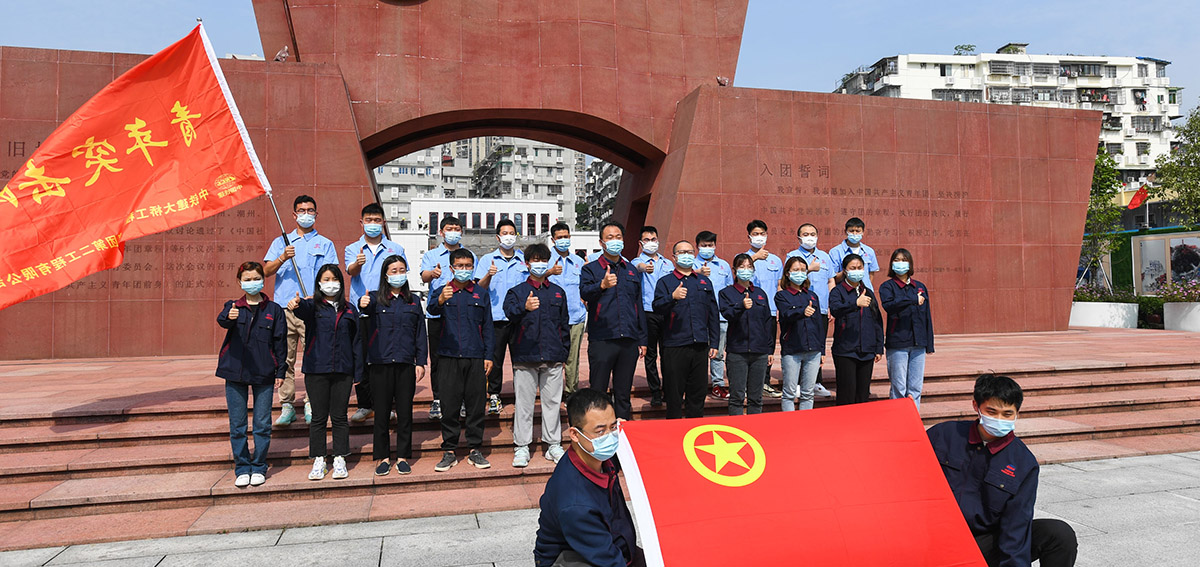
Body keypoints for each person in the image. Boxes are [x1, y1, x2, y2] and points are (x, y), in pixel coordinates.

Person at [927, 374, 1078, 567]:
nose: (999, 419)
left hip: (981, 542)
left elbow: (1016, 524)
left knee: (1058, 534)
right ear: (976, 406)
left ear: (1017, 414)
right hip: (933, 535)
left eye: (1007, 414)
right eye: (992, 411)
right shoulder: (943, 435)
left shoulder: (1023, 462)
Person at [534, 388, 646, 567]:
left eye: (613, 427)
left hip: (609, 542)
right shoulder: (576, 502)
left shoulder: (597, 457)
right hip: (570, 557)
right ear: (574, 434)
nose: (609, 436)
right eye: (600, 431)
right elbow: (608, 560)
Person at [263, 195, 337, 426]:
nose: (306, 214)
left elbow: (332, 276)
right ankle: (286, 404)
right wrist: (283, 257)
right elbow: (266, 271)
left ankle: (311, 401)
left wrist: (316, 297)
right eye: (302, 211)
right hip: (284, 308)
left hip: (311, 309)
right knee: (285, 357)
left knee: (313, 357)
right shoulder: (281, 242)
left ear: (316, 214)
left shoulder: (324, 244)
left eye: (310, 210)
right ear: (294, 215)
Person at [287, 265, 362, 481]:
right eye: (325, 279)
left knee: (339, 416)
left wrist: (358, 373)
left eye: (334, 279)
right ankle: (319, 458)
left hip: (343, 370)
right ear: (319, 283)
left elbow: (356, 342)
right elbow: (300, 310)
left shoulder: (349, 309)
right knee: (318, 417)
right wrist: (296, 304)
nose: (330, 283)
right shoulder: (313, 307)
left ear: (340, 282)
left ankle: (340, 457)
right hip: (316, 369)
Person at [216, 261, 287, 487]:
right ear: (239, 282)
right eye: (247, 279)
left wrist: (281, 371)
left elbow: (280, 342)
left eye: (256, 278)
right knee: (237, 424)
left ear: (263, 280)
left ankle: (258, 466)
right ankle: (242, 467)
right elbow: (222, 321)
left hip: (264, 371)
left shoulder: (274, 310)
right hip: (235, 371)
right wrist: (231, 316)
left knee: (262, 423)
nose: (252, 283)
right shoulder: (233, 306)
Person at [426, 248, 494, 472]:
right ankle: (449, 450)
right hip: (449, 356)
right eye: (460, 266)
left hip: (475, 356)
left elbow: (489, 327)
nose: (464, 270)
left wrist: (488, 356)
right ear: (451, 267)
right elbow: (431, 310)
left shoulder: (481, 294)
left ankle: (475, 449)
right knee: (450, 404)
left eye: (468, 266)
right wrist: (440, 299)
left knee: (475, 405)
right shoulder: (442, 290)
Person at [358, 255, 427, 476]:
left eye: (401, 270)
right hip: (380, 363)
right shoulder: (375, 300)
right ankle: (383, 457)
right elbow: (363, 319)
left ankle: (403, 456)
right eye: (393, 270)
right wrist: (362, 304)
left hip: (406, 363)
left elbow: (420, 334)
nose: (398, 274)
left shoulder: (413, 301)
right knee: (381, 413)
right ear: (385, 274)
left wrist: (421, 362)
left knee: (405, 413)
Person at [504, 244, 570, 467]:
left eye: (544, 260)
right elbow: (509, 315)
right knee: (524, 404)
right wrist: (524, 307)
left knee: (552, 403)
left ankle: (553, 445)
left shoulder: (558, 292)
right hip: (525, 356)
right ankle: (522, 447)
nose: (540, 264)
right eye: (535, 260)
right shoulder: (517, 292)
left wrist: (564, 353)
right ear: (527, 263)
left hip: (552, 356)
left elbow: (564, 325)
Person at [346, 203, 408, 424]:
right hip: (361, 309)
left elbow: (402, 275)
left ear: (383, 222)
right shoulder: (353, 248)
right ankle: (365, 404)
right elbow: (350, 271)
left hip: (387, 310)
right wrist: (358, 264)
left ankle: (386, 404)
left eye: (377, 220)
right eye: (368, 220)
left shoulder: (395, 249)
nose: (373, 224)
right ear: (361, 223)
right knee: (361, 358)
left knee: (385, 358)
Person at [580, 221, 647, 421]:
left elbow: (638, 305)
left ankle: (622, 435)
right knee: (599, 390)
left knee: (623, 393)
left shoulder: (631, 270)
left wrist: (642, 339)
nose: (614, 241)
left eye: (618, 237)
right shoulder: (591, 269)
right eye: (610, 238)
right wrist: (601, 285)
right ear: (601, 242)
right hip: (603, 338)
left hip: (629, 338)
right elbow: (584, 293)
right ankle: (598, 431)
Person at [652, 240, 719, 419]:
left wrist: (714, 341)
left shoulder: (704, 282)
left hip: (700, 344)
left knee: (697, 395)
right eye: (681, 252)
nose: (686, 255)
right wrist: (672, 298)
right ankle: (674, 435)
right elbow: (657, 307)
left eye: (689, 252)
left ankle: (693, 434)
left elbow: (713, 313)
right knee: (674, 396)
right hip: (675, 345)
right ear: (674, 257)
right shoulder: (665, 282)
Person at [420, 216, 476, 421]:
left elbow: (473, 280)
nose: (453, 232)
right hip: (438, 312)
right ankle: (437, 398)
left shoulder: (469, 255)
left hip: (463, 313)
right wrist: (432, 274)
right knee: (437, 359)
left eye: (457, 228)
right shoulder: (432, 254)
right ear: (441, 232)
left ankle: (460, 399)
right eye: (449, 228)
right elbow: (423, 276)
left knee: (462, 359)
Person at [477, 219, 527, 415]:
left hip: (519, 318)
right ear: (498, 237)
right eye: (504, 233)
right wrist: (489, 275)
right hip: (495, 318)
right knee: (494, 360)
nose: (508, 236)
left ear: (516, 236)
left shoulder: (523, 260)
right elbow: (479, 288)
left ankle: (522, 396)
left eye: (511, 233)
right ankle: (494, 396)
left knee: (521, 360)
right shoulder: (487, 260)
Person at [879, 248, 935, 409]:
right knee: (899, 387)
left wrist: (929, 343)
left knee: (915, 387)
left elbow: (927, 317)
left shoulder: (920, 287)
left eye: (904, 260)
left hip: (919, 343)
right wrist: (911, 299)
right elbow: (889, 306)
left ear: (910, 263)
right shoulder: (887, 286)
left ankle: (913, 421)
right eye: (896, 260)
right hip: (898, 342)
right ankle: (898, 422)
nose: (900, 263)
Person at [718, 254, 772, 415]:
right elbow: (727, 313)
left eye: (749, 267)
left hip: (759, 351)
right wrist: (740, 306)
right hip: (738, 351)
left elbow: (767, 322)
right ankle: (738, 431)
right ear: (734, 270)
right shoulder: (726, 293)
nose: (746, 270)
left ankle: (755, 431)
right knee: (737, 396)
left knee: (756, 397)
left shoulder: (760, 293)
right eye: (742, 267)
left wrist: (769, 349)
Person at [785, 223, 835, 398]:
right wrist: (808, 269)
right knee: (800, 343)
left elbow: (831, 281)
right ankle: (799, 382)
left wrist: (830, 304)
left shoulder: (825, 257)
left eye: (813, 233)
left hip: (819, 308)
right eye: (805, 234)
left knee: (818, 345)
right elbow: (788, 280)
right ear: (799, 237)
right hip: (799, 307)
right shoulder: (792, 256)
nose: (809, 237)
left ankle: (816, 381)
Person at [828, 254, 883, 406]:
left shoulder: (868, 292)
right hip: (846, 350)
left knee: (863, 395)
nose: (857, 271)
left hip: (866, 350)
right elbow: (836, 309)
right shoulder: (838, 291)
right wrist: (855, 303)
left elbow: (877, 321)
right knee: (847, 394)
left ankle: (861, 427)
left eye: (860, 268)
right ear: (845, 271)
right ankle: (844, 427)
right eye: (853, 268)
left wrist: (878, 347)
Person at [776, 256, 825, 411]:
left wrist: (822, 349)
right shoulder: (782, 295)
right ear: (788, 273)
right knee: (789, 392)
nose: (800, 273)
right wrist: (801, 312)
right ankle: (789, 426)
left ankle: (805, 425)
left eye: (803, 270)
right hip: (792, 349)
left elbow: (819, 324)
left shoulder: (811, 296)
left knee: (808, 393)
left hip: (813, 350)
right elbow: (786, 314)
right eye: (796, 270)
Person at [633, 226, 673, 407]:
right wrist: (643, 268)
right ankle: (655, 390)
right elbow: (637, 267)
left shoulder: (667, 264)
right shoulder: (636, 262)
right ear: (641, 243)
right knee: (650, 354)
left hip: (667, 311)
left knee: (668, 353)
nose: (651, 243)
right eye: (647, 240)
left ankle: (669, 389)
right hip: (648, 313)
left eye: (654, 239)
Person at [547, 223, 587, 397]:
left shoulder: (579, 262)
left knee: (573, 358)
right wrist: (549, 272)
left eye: (566, 236)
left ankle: (571, 391)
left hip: (575, 316)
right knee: (553, 358)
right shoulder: (546, 261)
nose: (564, 240)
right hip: (552, 318)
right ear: (553, 240)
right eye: (560, 237)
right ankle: (552, 392)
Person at [744, 220, 783, 398]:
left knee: (768, 348)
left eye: (762, 234)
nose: (759, 237)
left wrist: (780, 307)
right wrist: (754, 258)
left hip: (771, 310)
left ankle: (765, 382)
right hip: (749, 310)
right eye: (756, 234)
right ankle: (747, 383)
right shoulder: (744, 258)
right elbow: (738, 276)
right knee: (750, 346)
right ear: (749, 237)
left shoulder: (775, 260)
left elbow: (780, 285)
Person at [696, 231, 733, 400]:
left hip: (720, 317)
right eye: (704, 245)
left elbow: (730, 290)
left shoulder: (724, 266)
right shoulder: (691, 266)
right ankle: (698, 384)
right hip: (698, 317)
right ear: (697, 246)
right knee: (699, 353)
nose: (707, 248)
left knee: (717, 352)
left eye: (710, 245)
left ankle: (718, 384)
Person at [830, 217, 881, 291]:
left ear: (863, 232)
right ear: (845, 231)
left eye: (858, 231)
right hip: (844, 292)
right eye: (851, 231)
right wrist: (848, 271)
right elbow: (833, 277)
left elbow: (871, 274)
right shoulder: (835, 252)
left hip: (864, 291)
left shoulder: (869, 251)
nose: (854, 234)